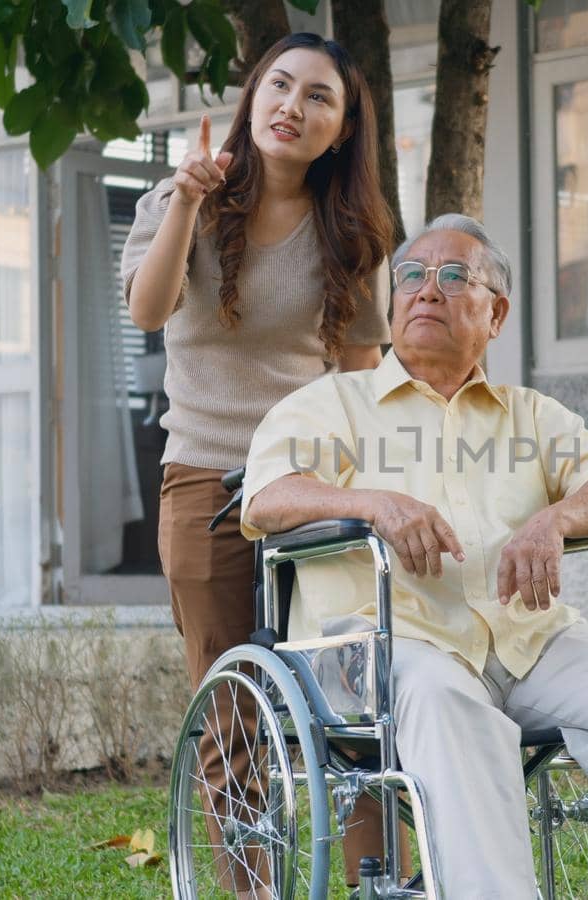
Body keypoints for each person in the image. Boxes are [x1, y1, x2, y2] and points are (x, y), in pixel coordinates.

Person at [238, 214, 588, 898]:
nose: (427, 291)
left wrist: (556, 519)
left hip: (525, 640)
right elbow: (266, 499)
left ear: (496, 312)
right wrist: (373, 503)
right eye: (412, 276)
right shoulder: (333, 404)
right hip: (384, 648)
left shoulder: (530, 415)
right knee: (454, 702)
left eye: (454, 277)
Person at [119, 31, 406, 893]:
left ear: (342, 129)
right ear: (251, 98)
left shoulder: (353, 232)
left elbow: (359, 377)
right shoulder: (183, 198)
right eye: (280, 85)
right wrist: (185, 205)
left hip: (311, 489)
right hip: (203, 480)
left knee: (349, 702)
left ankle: (373, 882)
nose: (293, 106)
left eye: (319, 97)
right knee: (232, 714)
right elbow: (146, 310)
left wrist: (363, 494)